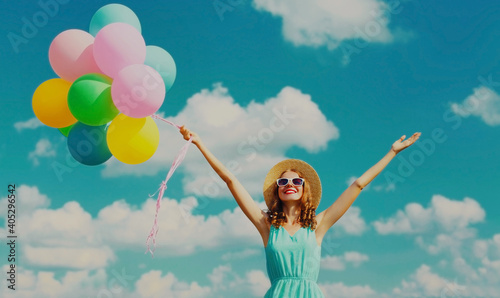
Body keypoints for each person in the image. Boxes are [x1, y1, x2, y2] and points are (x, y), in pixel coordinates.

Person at [180, 126, 421, 297]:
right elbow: (231, 180)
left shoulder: (318, 225)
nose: (290, 185)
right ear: (277, 191)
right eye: (283, 183)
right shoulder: (267, 225)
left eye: (297, 182)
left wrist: (393, 152)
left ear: (305, 190)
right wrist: (201, 144)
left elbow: (358, 184)